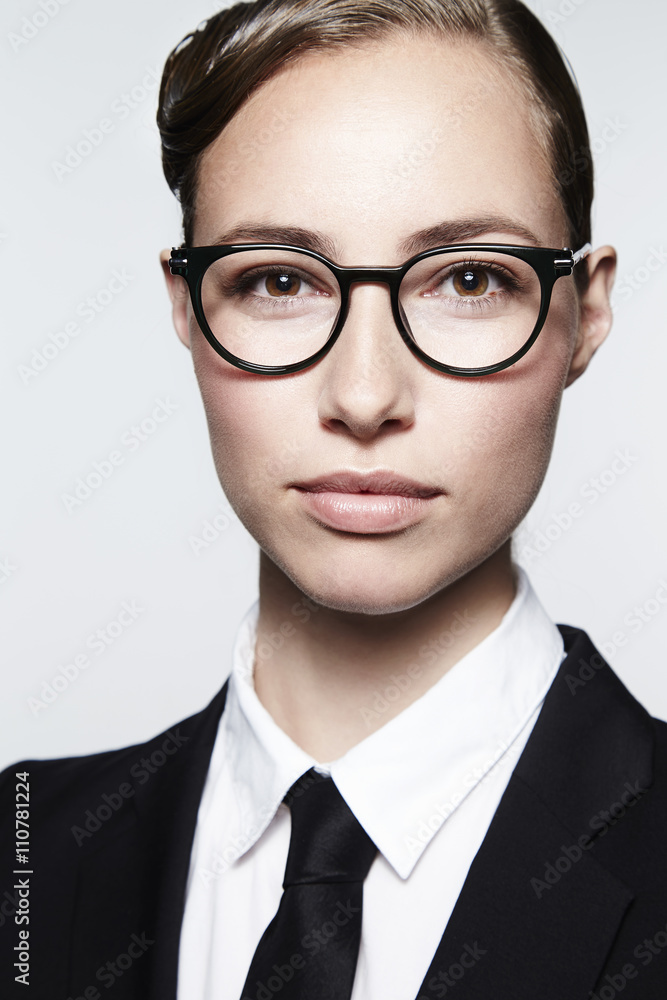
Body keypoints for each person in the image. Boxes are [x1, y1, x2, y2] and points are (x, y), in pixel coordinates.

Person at [2, 0, 666, 997]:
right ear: (185, 306)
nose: (363, 395)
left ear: (586, 310)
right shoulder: (25, 853)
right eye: (277, 281)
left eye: (471, 279)